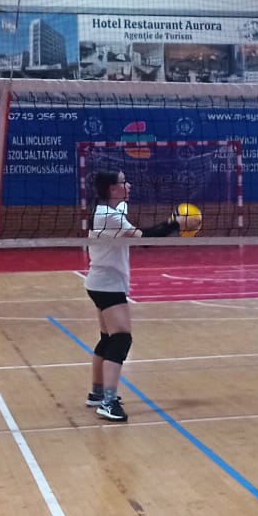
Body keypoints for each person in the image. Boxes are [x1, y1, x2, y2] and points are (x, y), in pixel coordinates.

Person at [84, 169, 177, 423]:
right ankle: (108, 402)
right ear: (112, 189)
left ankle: (97, 393)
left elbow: (125, 211)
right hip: (108, 284)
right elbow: (145, 239)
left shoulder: (112, 209)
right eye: (124, 183)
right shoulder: (108, 217)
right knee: (121, 339)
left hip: (101, 281)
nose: (130, 186)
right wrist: (175, 224)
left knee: (107, 338)